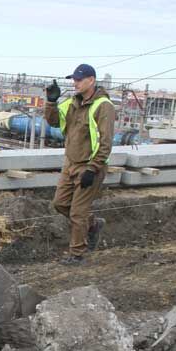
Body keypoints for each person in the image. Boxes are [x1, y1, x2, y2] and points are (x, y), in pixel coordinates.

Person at [44, 64, 115, 265]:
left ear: (91, 80)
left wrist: (93, 169)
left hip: (89, 166)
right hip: (71, 163)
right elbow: (54, 122)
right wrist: (51, 102)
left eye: (78, 80)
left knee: (77, 212)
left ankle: (77, 254)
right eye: (73, 80)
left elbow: (106, 142)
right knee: (60, 203)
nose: (74, 83)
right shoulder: (72, 103)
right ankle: (92, 225)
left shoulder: (103, 106)